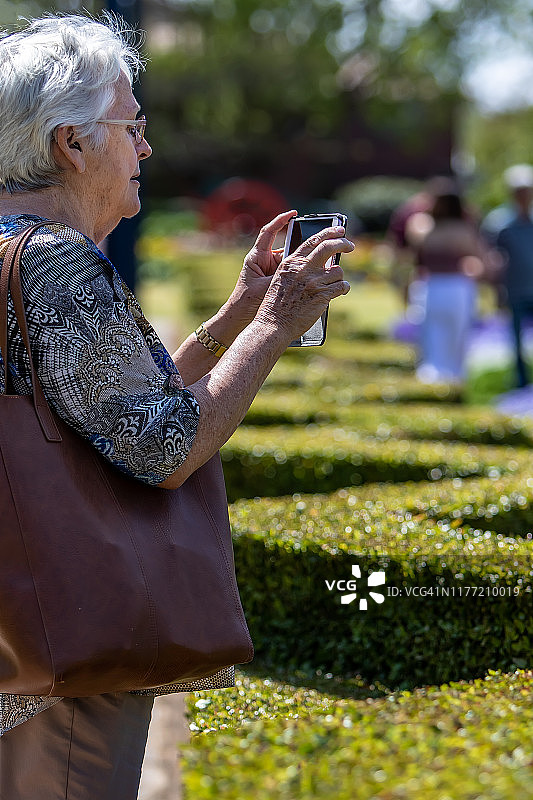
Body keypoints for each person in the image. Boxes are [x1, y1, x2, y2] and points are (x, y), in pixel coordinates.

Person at [0, 13, 352, 799]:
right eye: (132, 125)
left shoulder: (10, 243)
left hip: (20, 635)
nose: (146, 148)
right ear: (72, 143)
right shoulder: (57, 261)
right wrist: (273, 326)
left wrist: (231, 320)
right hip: (68, 652)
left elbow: (107, 402)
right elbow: (161, 446)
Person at [407, 178, 485, 385]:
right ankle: (437, 377)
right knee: (434, 334)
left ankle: (450, 378)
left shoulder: (430, 225)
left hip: (451, 286)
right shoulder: (435, 226)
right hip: (437, 285)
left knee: (453, 334)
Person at [483, 165, 533, 388]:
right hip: (513, 290)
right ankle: (520, 384)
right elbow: (490, 257)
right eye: (520, 191)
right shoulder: (499, 222)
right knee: (516, 342)